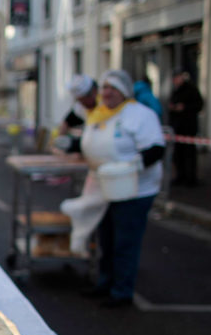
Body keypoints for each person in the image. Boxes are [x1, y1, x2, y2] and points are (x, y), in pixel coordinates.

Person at [60, 70, 165, 307]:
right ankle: (105, 282)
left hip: (133, 189)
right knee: (106, 238)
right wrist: (69, 143)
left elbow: (156, 149)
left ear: (124, 92)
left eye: (113, 88)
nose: (107, 92)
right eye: (105, 87)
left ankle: (122, 291)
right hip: (103, 187)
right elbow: (95, 142)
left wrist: (131, 165)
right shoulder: (100, 114)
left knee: (125, 241)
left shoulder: (140, 115)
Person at [168, 68, 204, 186]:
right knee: (178, 154)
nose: (175, 80)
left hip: (188, 127)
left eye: (177, 77)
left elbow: (199, 105)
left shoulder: (191, 89)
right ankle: (180, 176)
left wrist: (185, 107)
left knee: (189, 154)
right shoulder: (175, 91)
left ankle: (191, 178)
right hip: (178, 128)